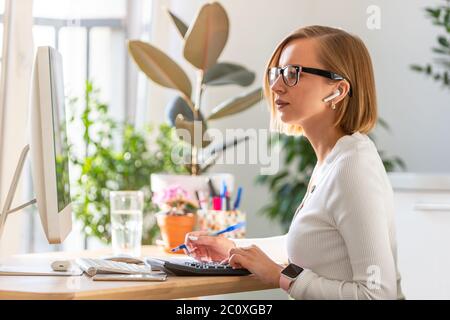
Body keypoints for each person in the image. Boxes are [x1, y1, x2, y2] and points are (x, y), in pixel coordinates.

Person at [184, 25, 404, 300]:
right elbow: (310, 245)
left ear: (337, 90)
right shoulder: (333, 159)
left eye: (292, 73)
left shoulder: (352, 167)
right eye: (277, 73)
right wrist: (232, 247)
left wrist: (281, 276)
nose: (276, 85)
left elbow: (377, 295)